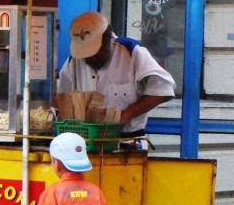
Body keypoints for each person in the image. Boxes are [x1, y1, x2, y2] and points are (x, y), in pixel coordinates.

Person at [57, 11, 176, 140]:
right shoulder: (75, 59)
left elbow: (163, 89)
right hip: (85, 140)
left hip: (127, 140)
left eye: (96, 52)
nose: (90, 58)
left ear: (108, 40)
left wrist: (127, 114)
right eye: (86, 55)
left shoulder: (131, 50)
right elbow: (60, 96)